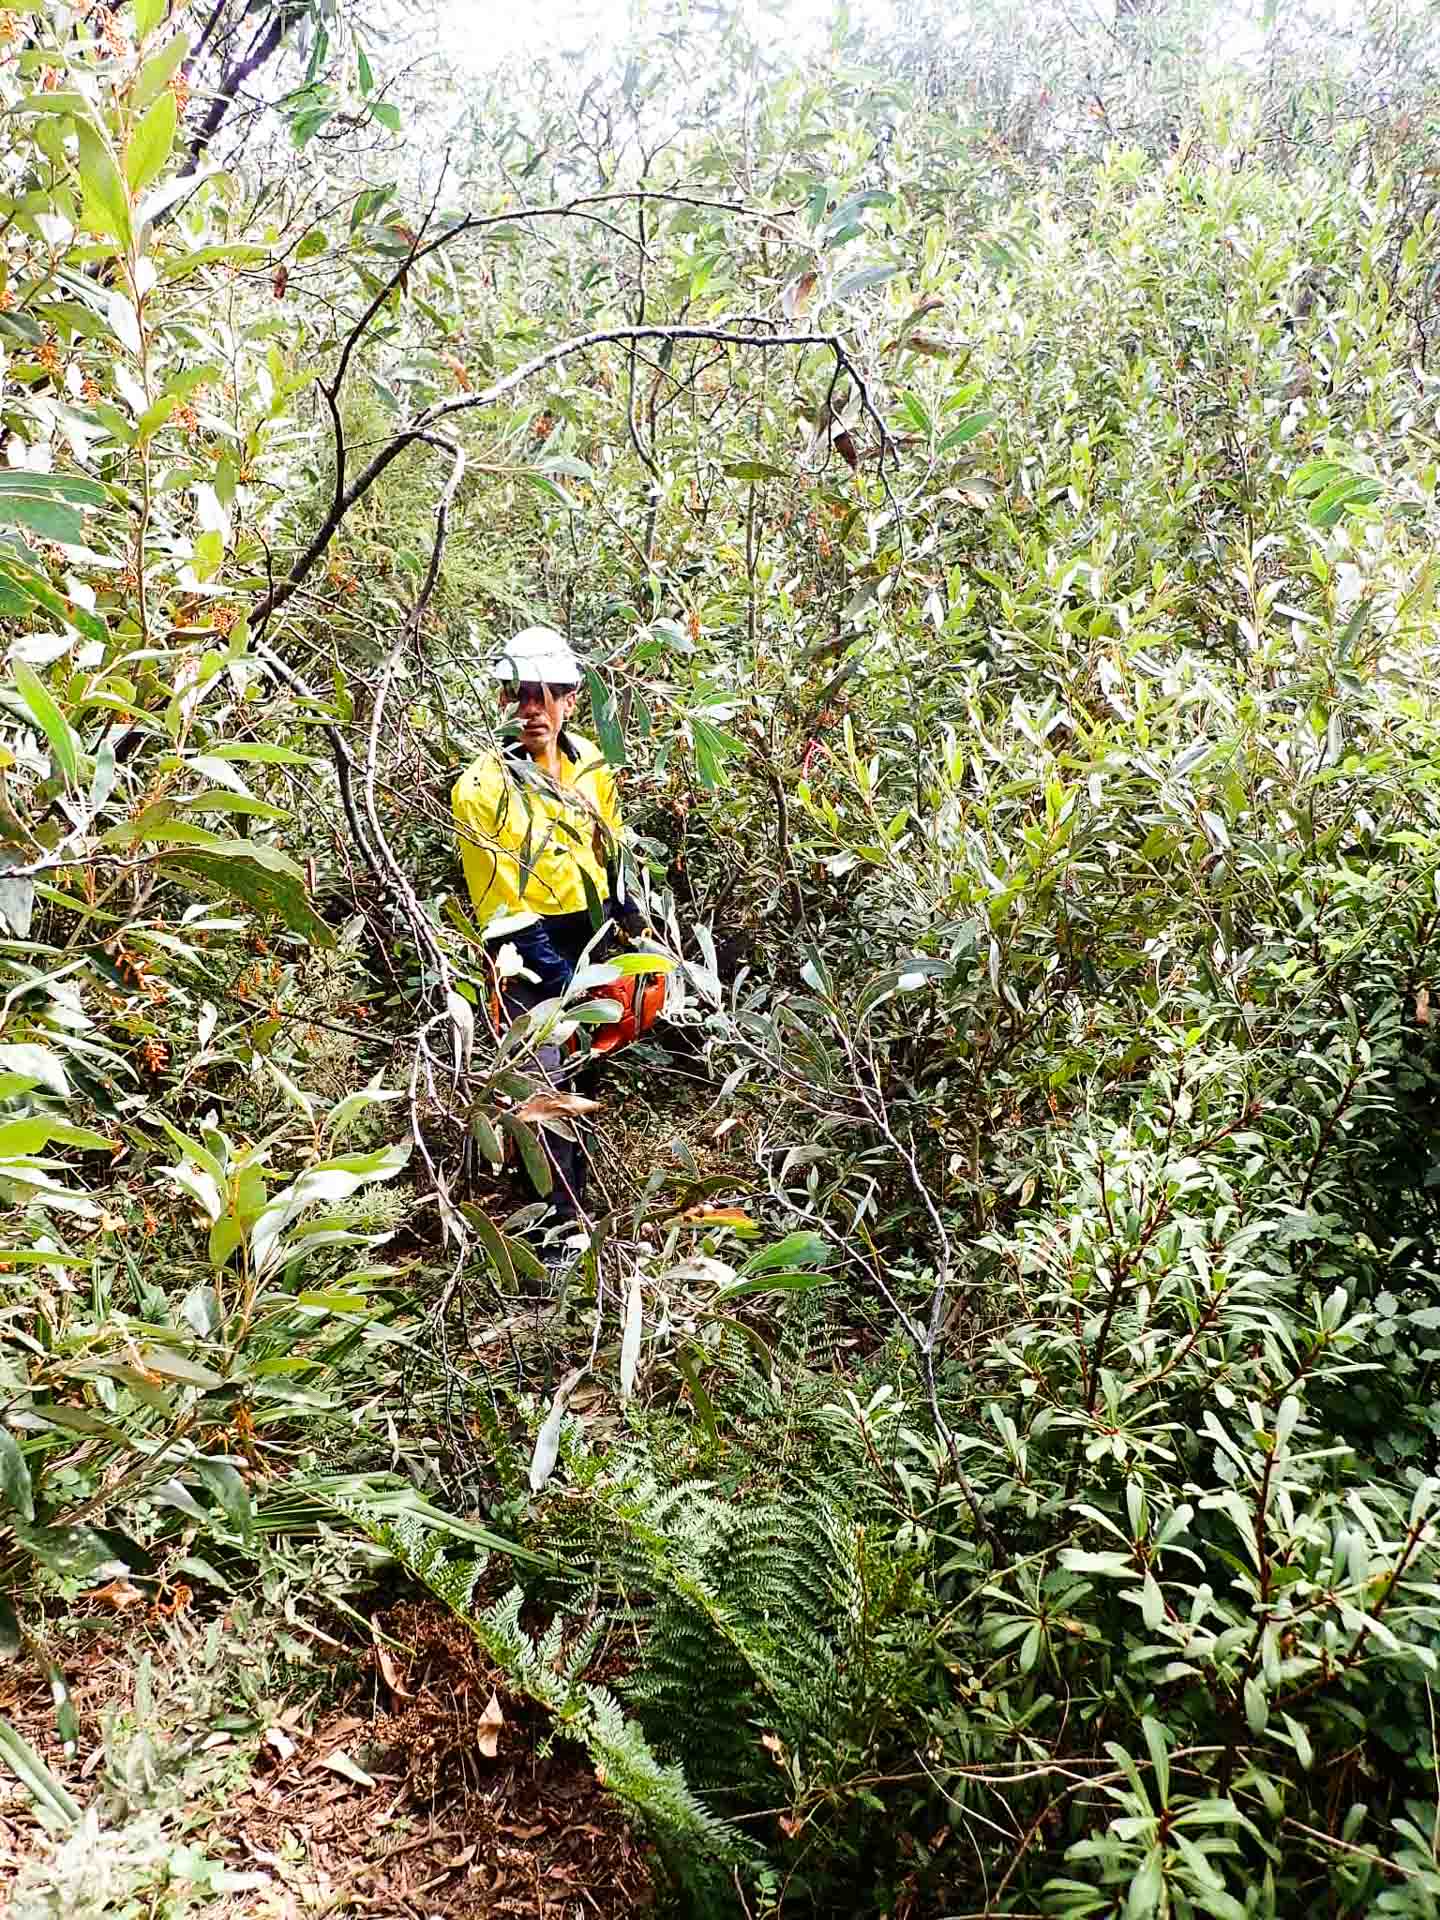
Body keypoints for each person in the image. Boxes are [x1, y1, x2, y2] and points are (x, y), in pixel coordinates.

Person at [451, 625, 641, 1232]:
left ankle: (573, 1194)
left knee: (584, 1072)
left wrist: (627, 915)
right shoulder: (481, 786)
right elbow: (499, 905)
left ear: (570, 699)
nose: (533, 709)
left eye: (545, 695)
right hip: (524, 952)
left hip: (586, 934)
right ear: (504, 701)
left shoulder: (592, 765)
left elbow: (608, 846)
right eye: (521, 695)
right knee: (544, 1082)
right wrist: (560, 978)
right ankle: (559, 1223)